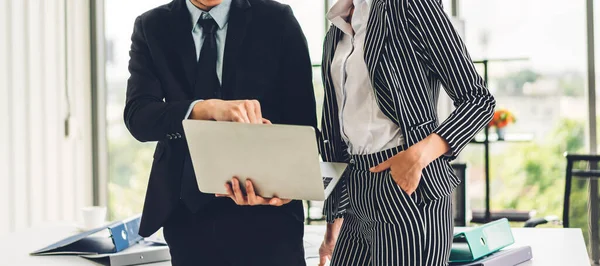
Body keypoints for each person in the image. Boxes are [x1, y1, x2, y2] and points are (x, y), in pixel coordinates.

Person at [124, 0, 317, 265]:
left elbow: (303, 123)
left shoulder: (277, 19)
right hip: (187, 217)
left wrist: (289, 187)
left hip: (269, 219)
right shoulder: (152, 26)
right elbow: (139, 117)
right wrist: (206, 109)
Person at [317, 0, 495, 265]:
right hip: (355, 195)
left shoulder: (412, 5)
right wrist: (332, 225)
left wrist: (418, 157)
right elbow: (337, 131)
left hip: (407, 191)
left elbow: (479, 100)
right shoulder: (335, 31)